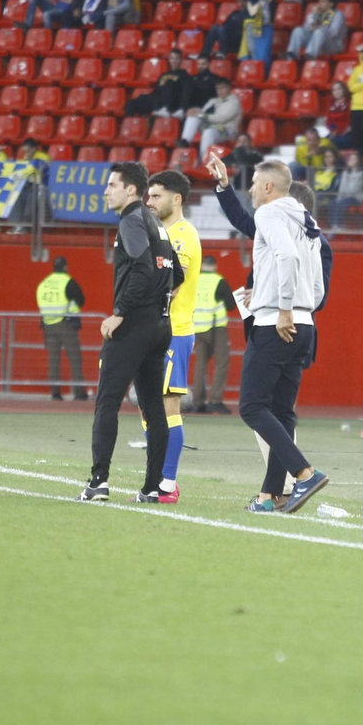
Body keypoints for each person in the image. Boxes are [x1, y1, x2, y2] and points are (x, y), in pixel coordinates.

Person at [79, 163, 184, 503]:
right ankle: (153, 488)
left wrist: (120, 312)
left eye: (112, 185)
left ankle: (98, 483)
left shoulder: (131, 221)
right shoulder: (158, 223)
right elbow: (176, 274)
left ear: (130, 190)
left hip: (135, 326)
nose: (106, 191)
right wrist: (159, 303)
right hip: (160, 326)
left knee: (107, 401)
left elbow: (141, 268)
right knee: (154, 408)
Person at [236, 160, 330, 513]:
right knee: (282, 411)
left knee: (252, 406)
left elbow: (286, 256)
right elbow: (318, 279)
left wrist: (284, 307)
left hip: (278, 321)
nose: (251, 190)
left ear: (269, 188)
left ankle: (304, 473)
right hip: (305, 322)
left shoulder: (270, 213)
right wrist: (302, 307)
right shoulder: (307, 219)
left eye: (255, 183)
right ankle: (271, 495)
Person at [145, 169, 200, 503]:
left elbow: (171, 285)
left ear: (176, 199)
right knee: (150, 409)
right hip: (156, 331)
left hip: (174, 333)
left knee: (168, 406)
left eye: (156, 196)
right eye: (148, 196)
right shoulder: (161, 232)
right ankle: (157, 477)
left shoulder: (182, 236)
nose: (149, 202)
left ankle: (167, 483)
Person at [36, 256, 88, 402]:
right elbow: (81, 299)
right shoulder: (67, 281)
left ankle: (55, 393)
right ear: (65, 267)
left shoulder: (44, 283)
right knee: (75, 359)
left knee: (53, 360)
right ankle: (79, 393)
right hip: (65, 324)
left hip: (47, 324)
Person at [190, 254, 238, 414]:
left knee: (200, 365)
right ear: (215, 266)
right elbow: (231, 305)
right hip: (216, 327)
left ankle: (198, 402)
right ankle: (215, 401)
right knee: (221, 363)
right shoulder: (219, 281)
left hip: (197, 326)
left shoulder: (194, 280)